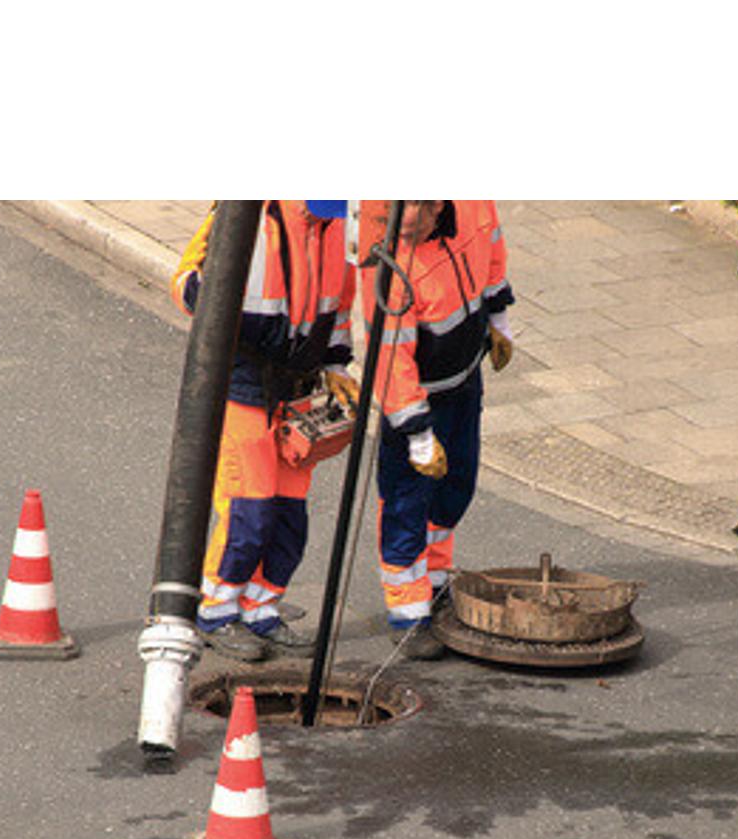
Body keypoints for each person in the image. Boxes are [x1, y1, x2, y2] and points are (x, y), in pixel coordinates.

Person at [170, 200, 359, 661]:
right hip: (243, 387)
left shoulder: (333, 225)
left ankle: (260, 608)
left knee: (289, 517)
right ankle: (216, 610)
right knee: (248, 513)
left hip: (294, 390)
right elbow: (185, 286)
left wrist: (335, 363)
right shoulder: (249, 216)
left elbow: (337, 304)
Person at [359, 200, 515, 659]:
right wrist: (417, 434)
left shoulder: (470, 206)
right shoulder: (385, 255)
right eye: (394, 213)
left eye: (412, 217)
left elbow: (492, 253)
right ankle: (408, 612)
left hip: (463, 382)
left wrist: (499, 320)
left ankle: (435, 582)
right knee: (407, 503)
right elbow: (390, 359)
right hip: (415, 399)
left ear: (436, 205)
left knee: (456, 487)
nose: (401, 227)